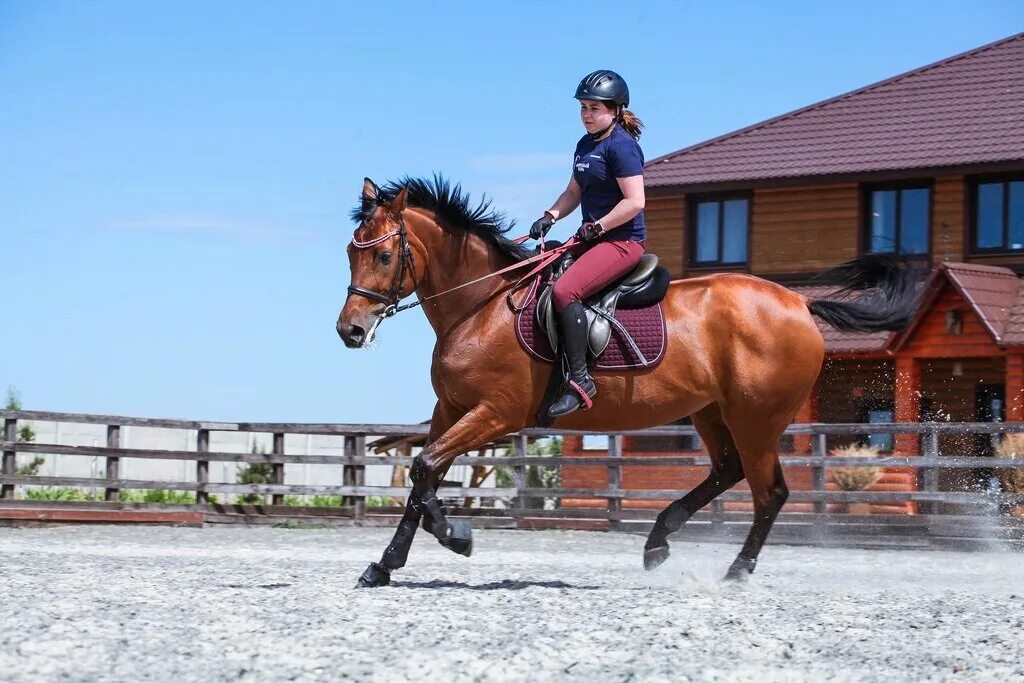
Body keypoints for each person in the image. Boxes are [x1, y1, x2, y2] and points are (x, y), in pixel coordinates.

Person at [529, 69, 646, 418]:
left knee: (565, 292)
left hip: (622, 243)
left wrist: (598, 226)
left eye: (594, 108)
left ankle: (581, 382)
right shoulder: (585, 145)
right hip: (593, 240)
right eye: (583, 107)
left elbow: (635, 202)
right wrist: (550, 215)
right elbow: (574, 192)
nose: (586, 114)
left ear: (614, 109)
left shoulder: (622, 147)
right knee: (538, 269)